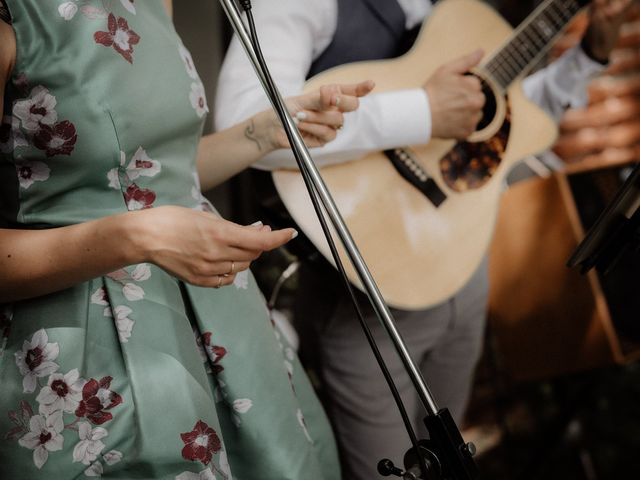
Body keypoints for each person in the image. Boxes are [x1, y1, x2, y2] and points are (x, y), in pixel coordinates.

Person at [215, 0, 632, 478]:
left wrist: (589, 55)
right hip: (368, 296)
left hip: (463, 270)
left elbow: (511, 113)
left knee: (447, 466)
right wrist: (423, 112)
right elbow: (243, 124)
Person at [0, 1, 374, 478]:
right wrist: (136, 236)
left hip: (219, 316)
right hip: (82, 353)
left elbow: (147, 172)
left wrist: (261, 134)